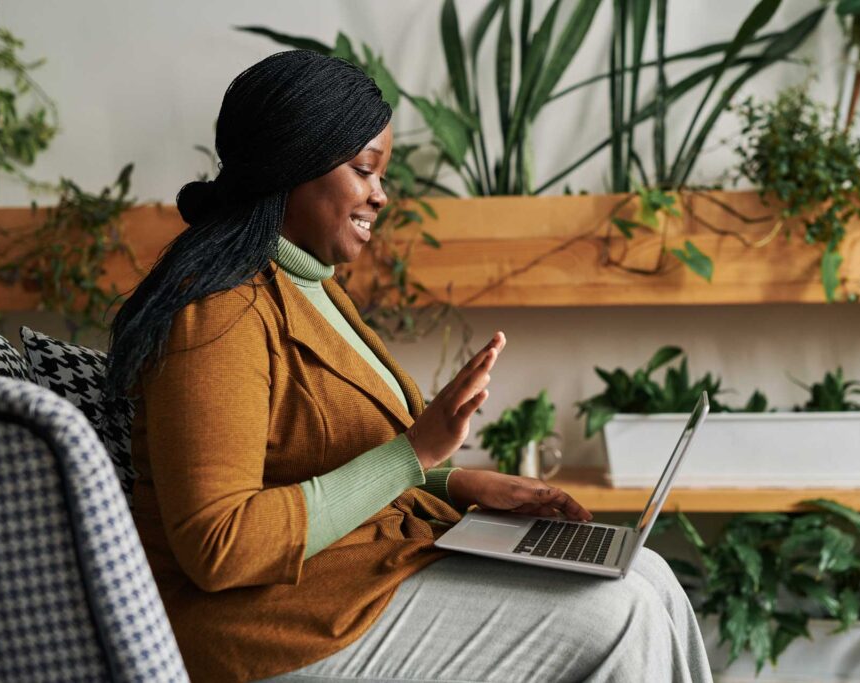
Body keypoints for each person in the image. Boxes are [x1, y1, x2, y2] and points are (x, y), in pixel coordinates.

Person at [105, 50, 712, 683]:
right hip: (265, 625)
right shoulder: (218, 312)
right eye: (365, 170)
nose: (381, 194)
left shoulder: (308, 282)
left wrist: (456, 484)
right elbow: (219, 546)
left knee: (649, 576)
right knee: (619, 614)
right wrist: (413, 455)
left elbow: (315, 456)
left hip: (356, 571)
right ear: (295, 165)